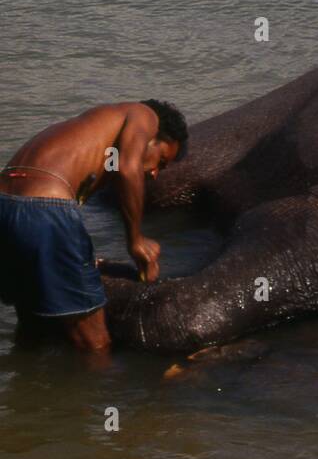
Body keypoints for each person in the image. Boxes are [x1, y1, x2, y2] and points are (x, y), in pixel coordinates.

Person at [0, 100, 188, 355]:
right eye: (162, 161)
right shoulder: (145, 115)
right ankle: (103, 392)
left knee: (34, 326)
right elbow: (126, 168)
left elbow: (111, 168)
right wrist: (136, 240)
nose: (155, 173)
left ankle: (26, 388)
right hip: (43, 206)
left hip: (5, 206)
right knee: (95, 343)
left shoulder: (97, 129)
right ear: (153, 137)